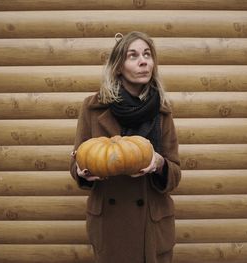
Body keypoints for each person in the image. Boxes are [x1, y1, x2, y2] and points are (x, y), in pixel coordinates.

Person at [70, 31, 181, 263]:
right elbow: (78, 159)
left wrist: (159, 164)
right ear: (118, 67)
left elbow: (175, 173)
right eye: (133, 56)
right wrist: (81, 172)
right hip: (110, 222)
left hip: (150, 223)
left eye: (147, 54)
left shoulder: (162, 110)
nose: (143, 61)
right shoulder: (92, 107)